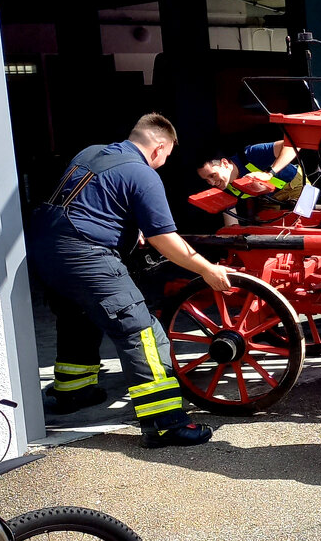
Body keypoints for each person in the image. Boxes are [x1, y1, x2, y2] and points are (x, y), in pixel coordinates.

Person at [28, 114, 238, 448]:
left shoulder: (91, 153)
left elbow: (94, 202)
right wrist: (206, 269)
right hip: (86, 254)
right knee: (143, 333)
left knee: (78, 315)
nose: (162, 164)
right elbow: (165, 240)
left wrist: (130, 228)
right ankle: (166, 424)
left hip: (44, 250)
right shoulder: (143, 173)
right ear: (158, 147)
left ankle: (74, 390)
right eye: (165, 157)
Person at [196, 140, 306, 224]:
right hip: (270, 203)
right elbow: (231, 225)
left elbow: (293, 144)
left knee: (303, 225)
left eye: (212, 175)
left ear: (224, 163)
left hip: (297, 189)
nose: (211, 182)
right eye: (206, 179)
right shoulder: (223, 188)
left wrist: (269, 174)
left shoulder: (250, 155)